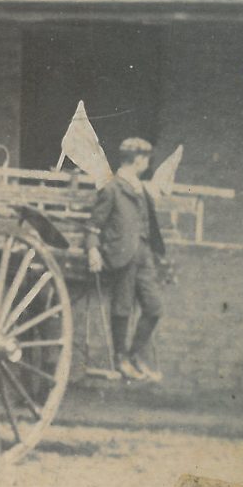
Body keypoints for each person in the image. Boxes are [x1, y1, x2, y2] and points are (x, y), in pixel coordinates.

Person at [90, 135, 168, 381]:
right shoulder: (112, 187)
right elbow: (93, 226)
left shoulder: (140, 188)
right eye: (146, 158)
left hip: (144, 255)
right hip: (122, 255)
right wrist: (93, 249)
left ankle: (134, 355)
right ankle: (121, 358)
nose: (148, 163)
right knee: (122, 308)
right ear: (136, 160)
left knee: (154, 308)